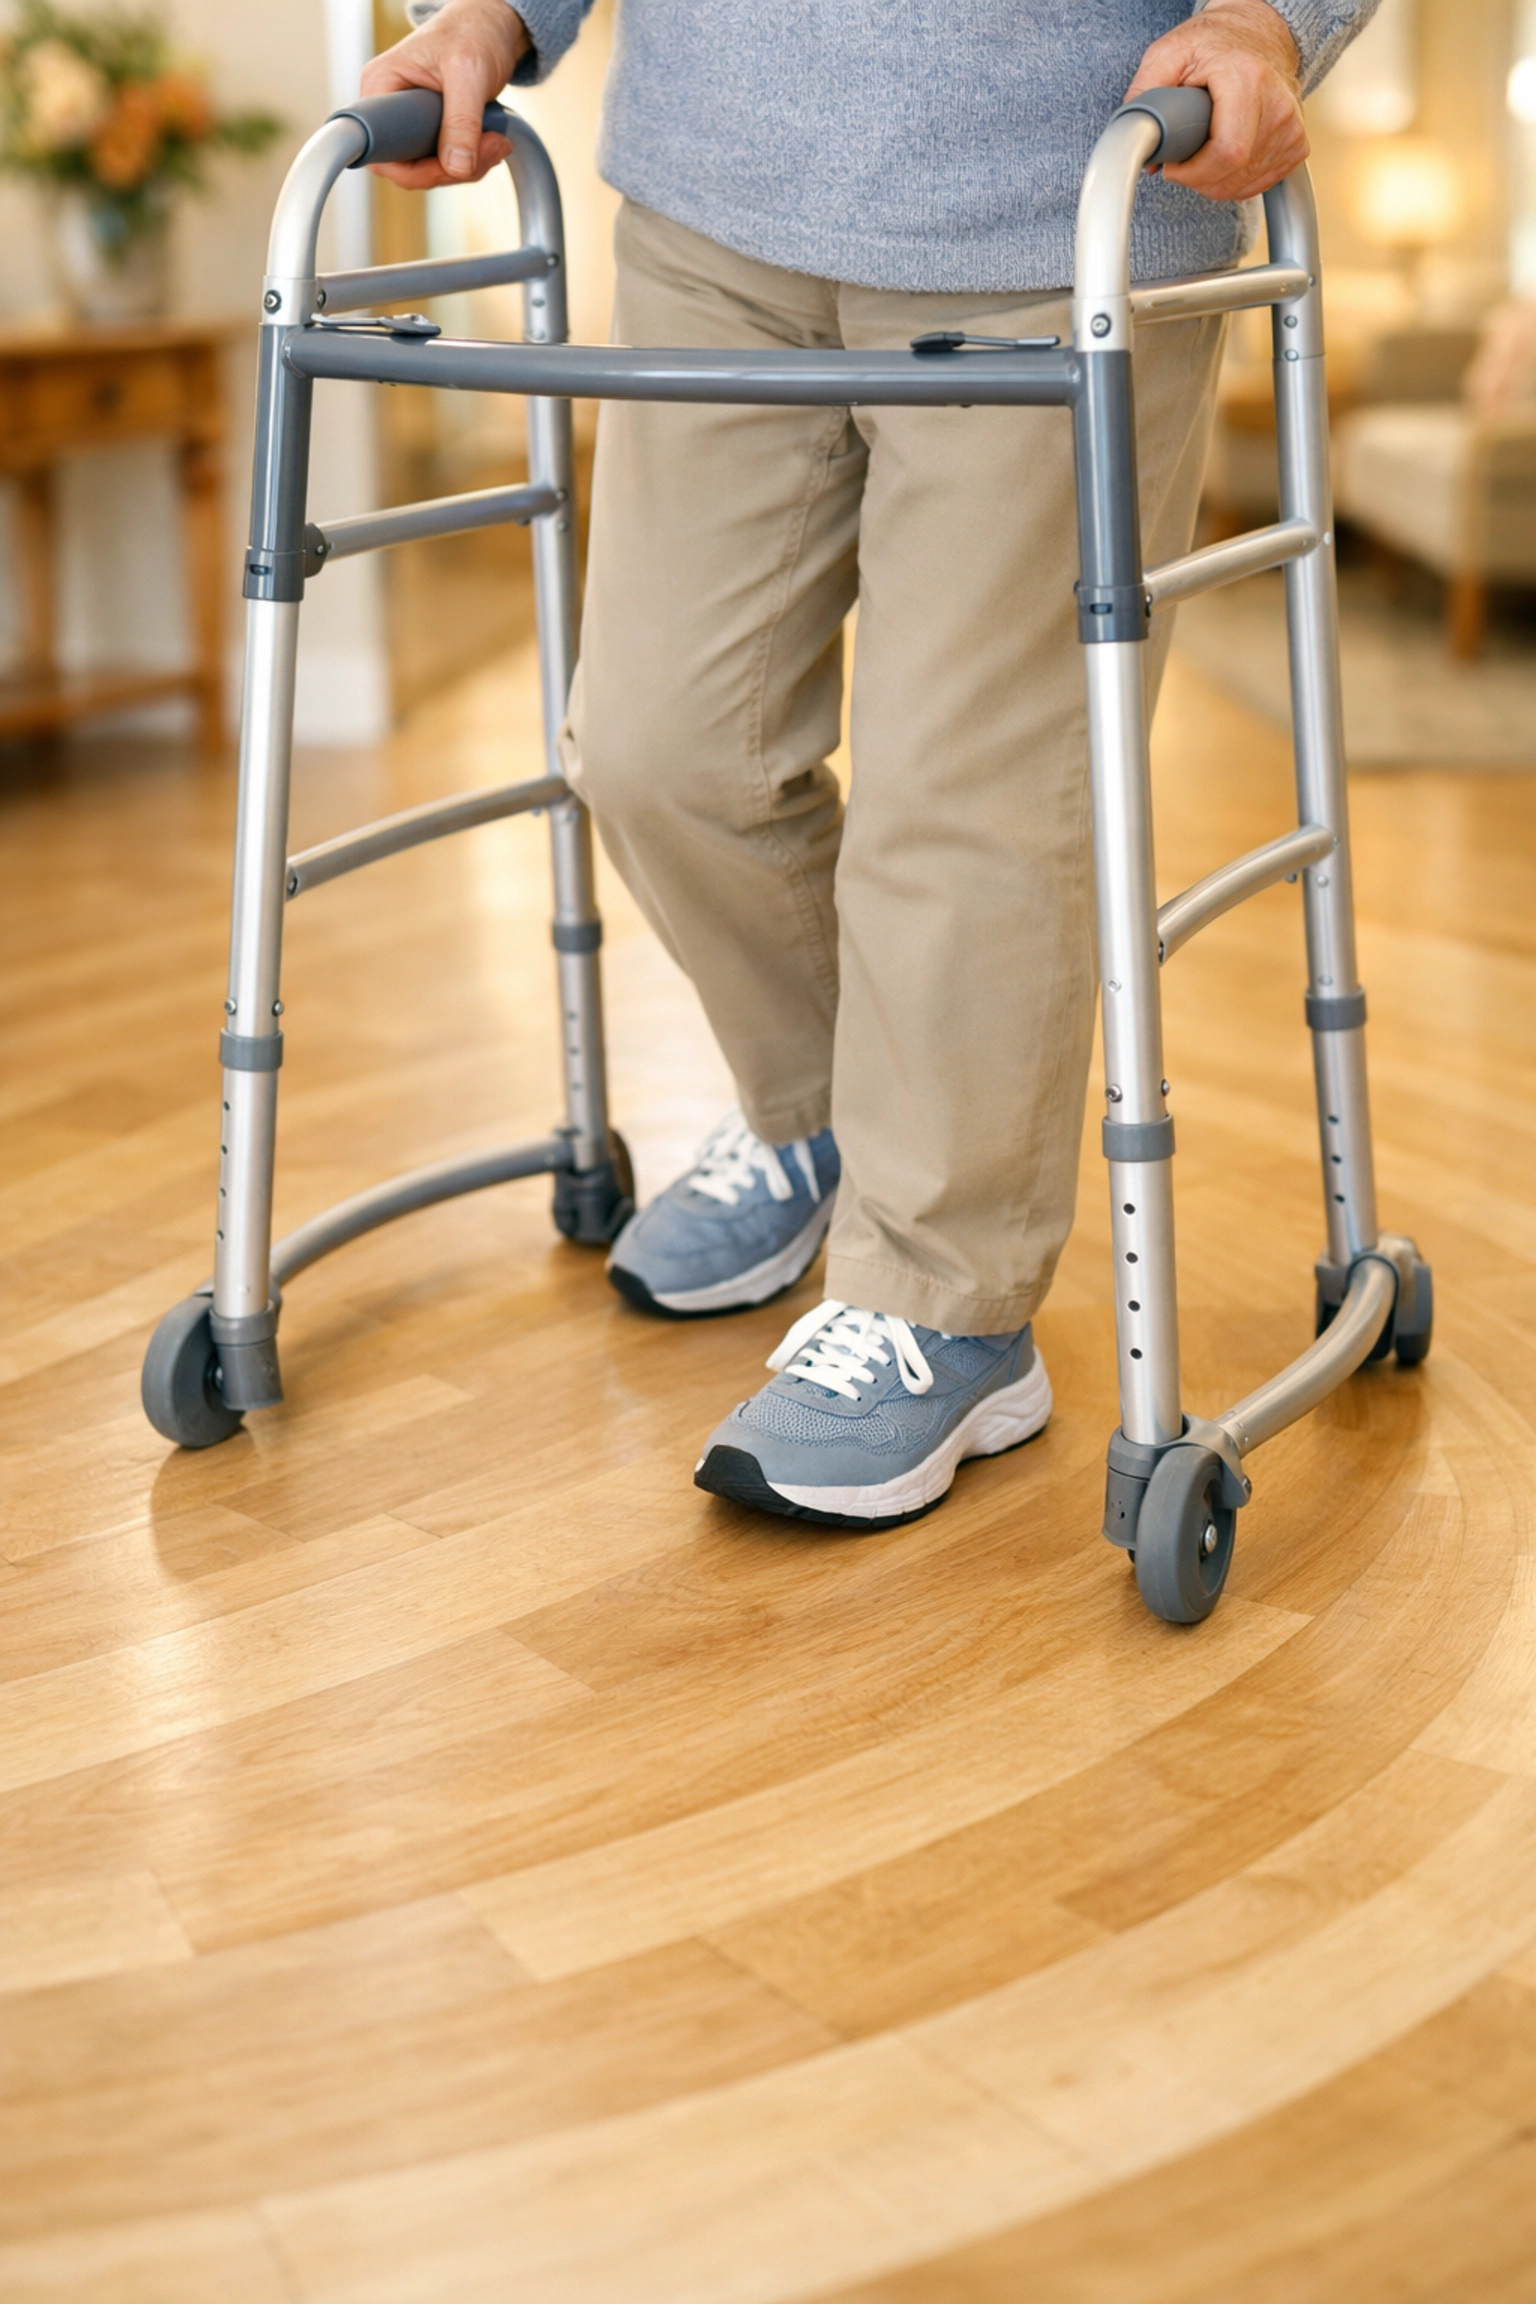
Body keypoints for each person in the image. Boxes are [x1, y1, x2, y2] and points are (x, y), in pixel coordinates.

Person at [365, 0, 1376, 1531]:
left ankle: (944, 1299)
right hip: (714, 199)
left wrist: (1262, 19)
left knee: (966, 796)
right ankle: (824, 1117)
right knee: (652, 744)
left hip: (1050, 206)